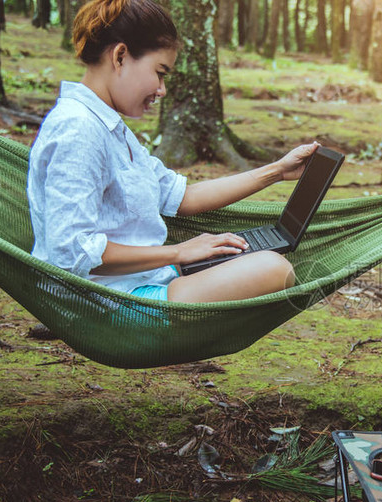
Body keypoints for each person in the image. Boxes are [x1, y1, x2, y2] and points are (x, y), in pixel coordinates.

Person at [27, 0, 318, 303]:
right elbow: (71, 250)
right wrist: (179, 252)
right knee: (273, 269)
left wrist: (277, 171)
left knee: (260, 257)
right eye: (160, 72)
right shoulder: (78, 129)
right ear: (121, 56)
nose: (162, 90)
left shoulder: (110, 128)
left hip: (143, 280)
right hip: (108, 302)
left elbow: (183, 197)